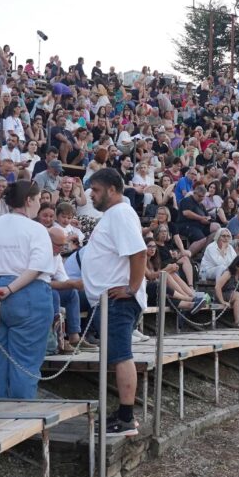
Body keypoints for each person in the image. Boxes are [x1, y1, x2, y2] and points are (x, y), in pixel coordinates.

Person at [0, 180, 57, 399]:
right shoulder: (37, 229)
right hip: (27, 294)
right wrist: (9, 289)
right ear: (28, 200)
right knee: (25, 361)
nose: (39, 204)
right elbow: (37, 267)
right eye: (38, 200)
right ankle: (21, 412)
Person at [78, 168, 146, 436]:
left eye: (95, 190)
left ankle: (126, 418)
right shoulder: (114, 215)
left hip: (118, 301)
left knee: (121, 357)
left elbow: (138, 253)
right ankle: (122, 414)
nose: (91, 195)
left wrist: (132, 288)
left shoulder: (119, 213)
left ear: (112, 189)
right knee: (118, 356)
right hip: (108, 300)